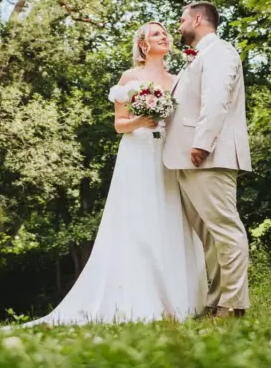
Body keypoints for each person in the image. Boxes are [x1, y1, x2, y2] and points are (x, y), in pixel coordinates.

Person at [24, 21, 205, 326]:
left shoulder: (177, 79)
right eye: (155, 34)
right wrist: (142, 121)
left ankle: (178, 298)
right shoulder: (130, 77)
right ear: (143, 44)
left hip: (168, 155)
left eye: (164, 33)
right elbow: (119, 124)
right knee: (137, 221)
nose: (163, 36)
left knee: (171, 217)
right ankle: (137, 299)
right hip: (137, 154)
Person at [165, 1, 252, 319]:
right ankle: (216, 302)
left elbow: (216, 100)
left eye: (182, 19)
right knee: (208, 235)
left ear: (198, 19)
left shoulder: (220, 51)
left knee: (225, 230)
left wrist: (202, 144)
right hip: (188, 159)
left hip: (208, 157)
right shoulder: (198, 57)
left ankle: (233, 304)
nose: (179, 25)